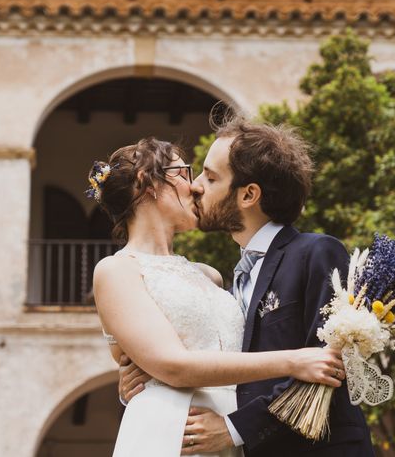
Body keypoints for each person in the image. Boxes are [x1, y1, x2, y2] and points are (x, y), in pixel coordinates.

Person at [119, 118, 376, 457]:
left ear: (248, 195)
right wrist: (147, 381)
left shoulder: (317, 253)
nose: (195, 187)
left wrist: (233, 429)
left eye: (210, 178)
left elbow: (326, 367)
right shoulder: (230, 283)